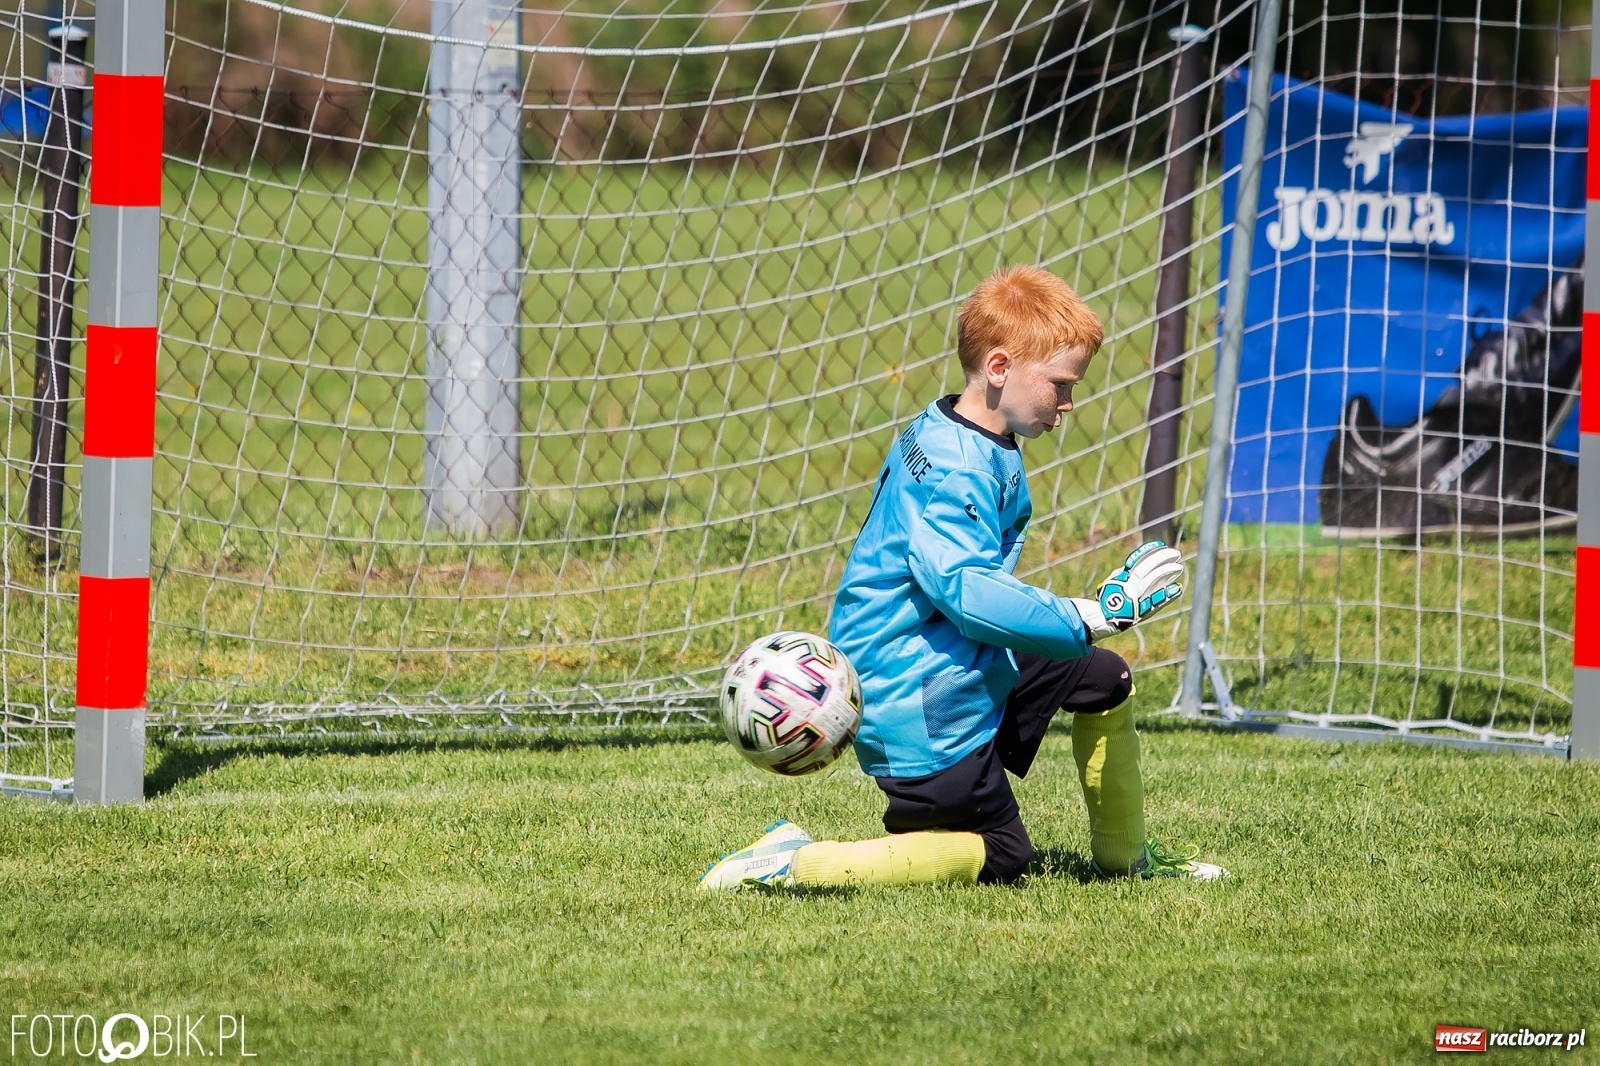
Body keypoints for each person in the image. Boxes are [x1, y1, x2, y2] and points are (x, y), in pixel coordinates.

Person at [698, 266, 1225, 890]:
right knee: (1001, 856)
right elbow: (967, 589)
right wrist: (1095, 613)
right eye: (1059, 384)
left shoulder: (962, 428)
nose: (1069, 402)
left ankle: (1127, 864)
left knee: (1101, 678)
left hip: (953, 653)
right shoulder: (957, 467)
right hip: (915, 693)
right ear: (1000, 369)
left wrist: (1079, 630)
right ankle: (795, 862)